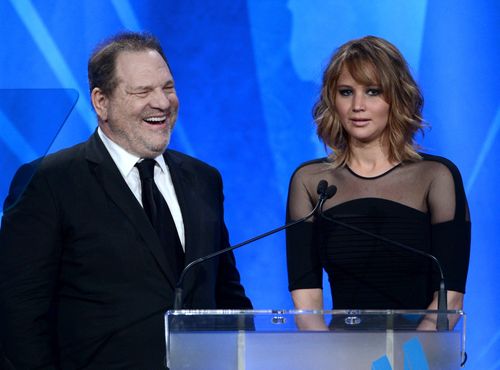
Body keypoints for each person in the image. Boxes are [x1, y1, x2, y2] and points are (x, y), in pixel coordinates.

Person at [0, 32, 252, 369]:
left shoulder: (203, 179)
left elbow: (227, 296)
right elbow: (19, 316)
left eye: (168, 87)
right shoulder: (48, 182)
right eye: (143, 91)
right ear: (101, 102)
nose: (162, 103)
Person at [286, 36, 470, 330]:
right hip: (340, 357)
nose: (358, 105)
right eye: (346, 92)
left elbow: (450, 300)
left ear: (396, 97)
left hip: (417, 357)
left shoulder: (436, 177)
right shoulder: (311, 182)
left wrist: (405, 362)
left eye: (373, 91)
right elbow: (306, 301)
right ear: (332, 100)